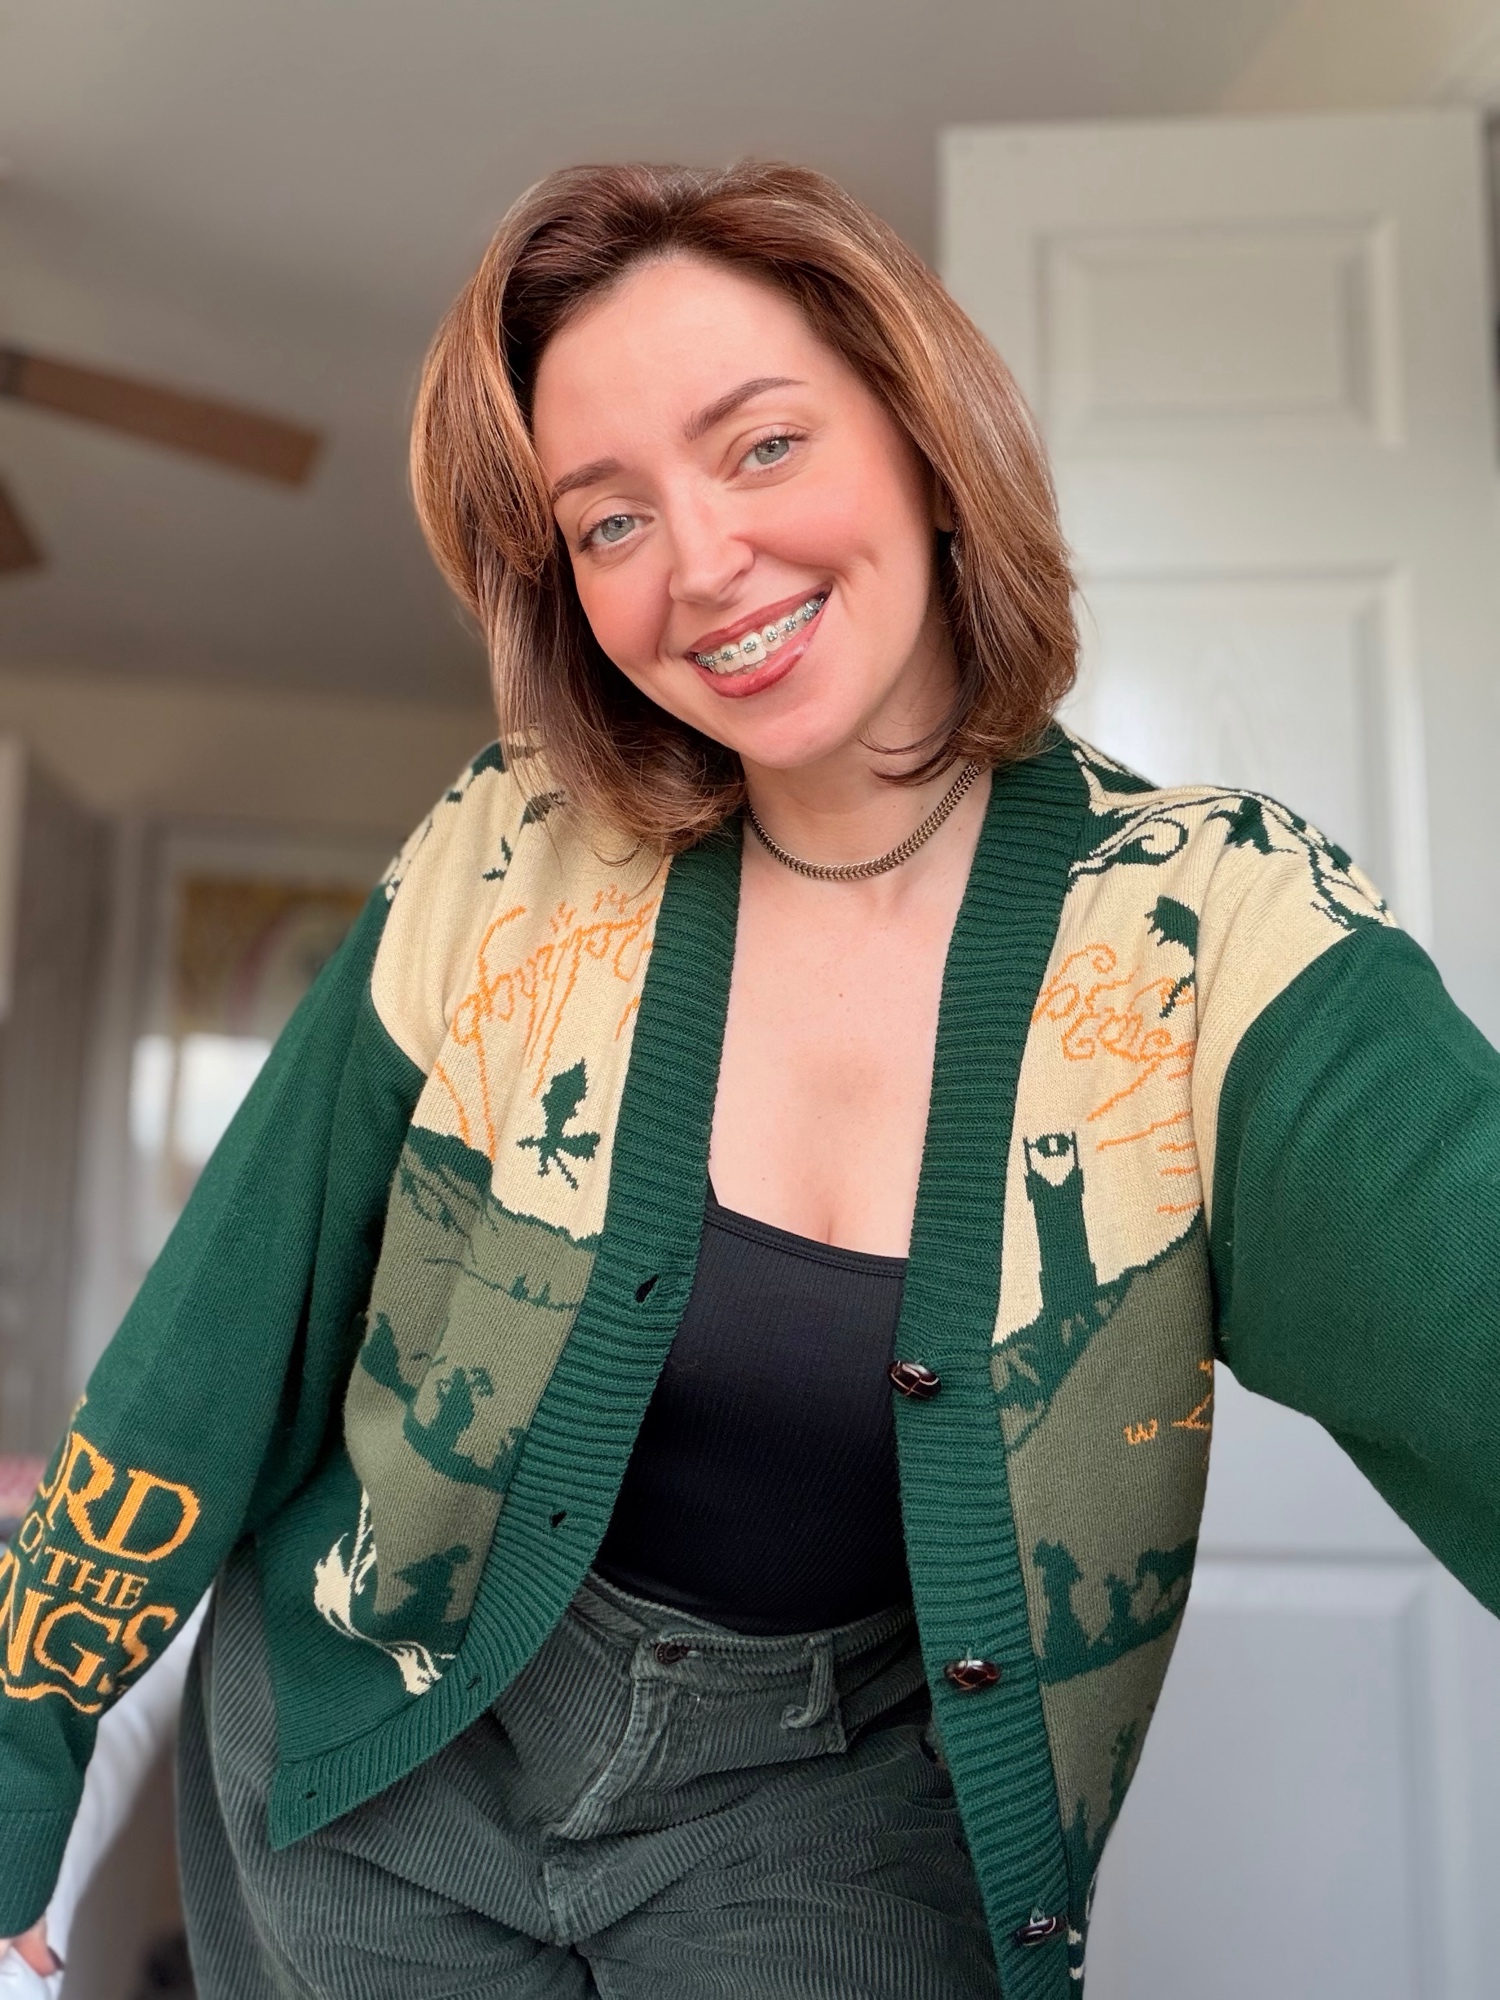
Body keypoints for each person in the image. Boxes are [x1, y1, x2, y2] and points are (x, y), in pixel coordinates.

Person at [2, 159, 1498, 1999]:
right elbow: (228, 1323)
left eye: (764, 446)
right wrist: (18, 1753)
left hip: (840, 1825)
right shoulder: (512, 848)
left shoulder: (1216, 929)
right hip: (376, 1758)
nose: (699, 563)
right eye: (608, 521)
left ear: (927, 441)